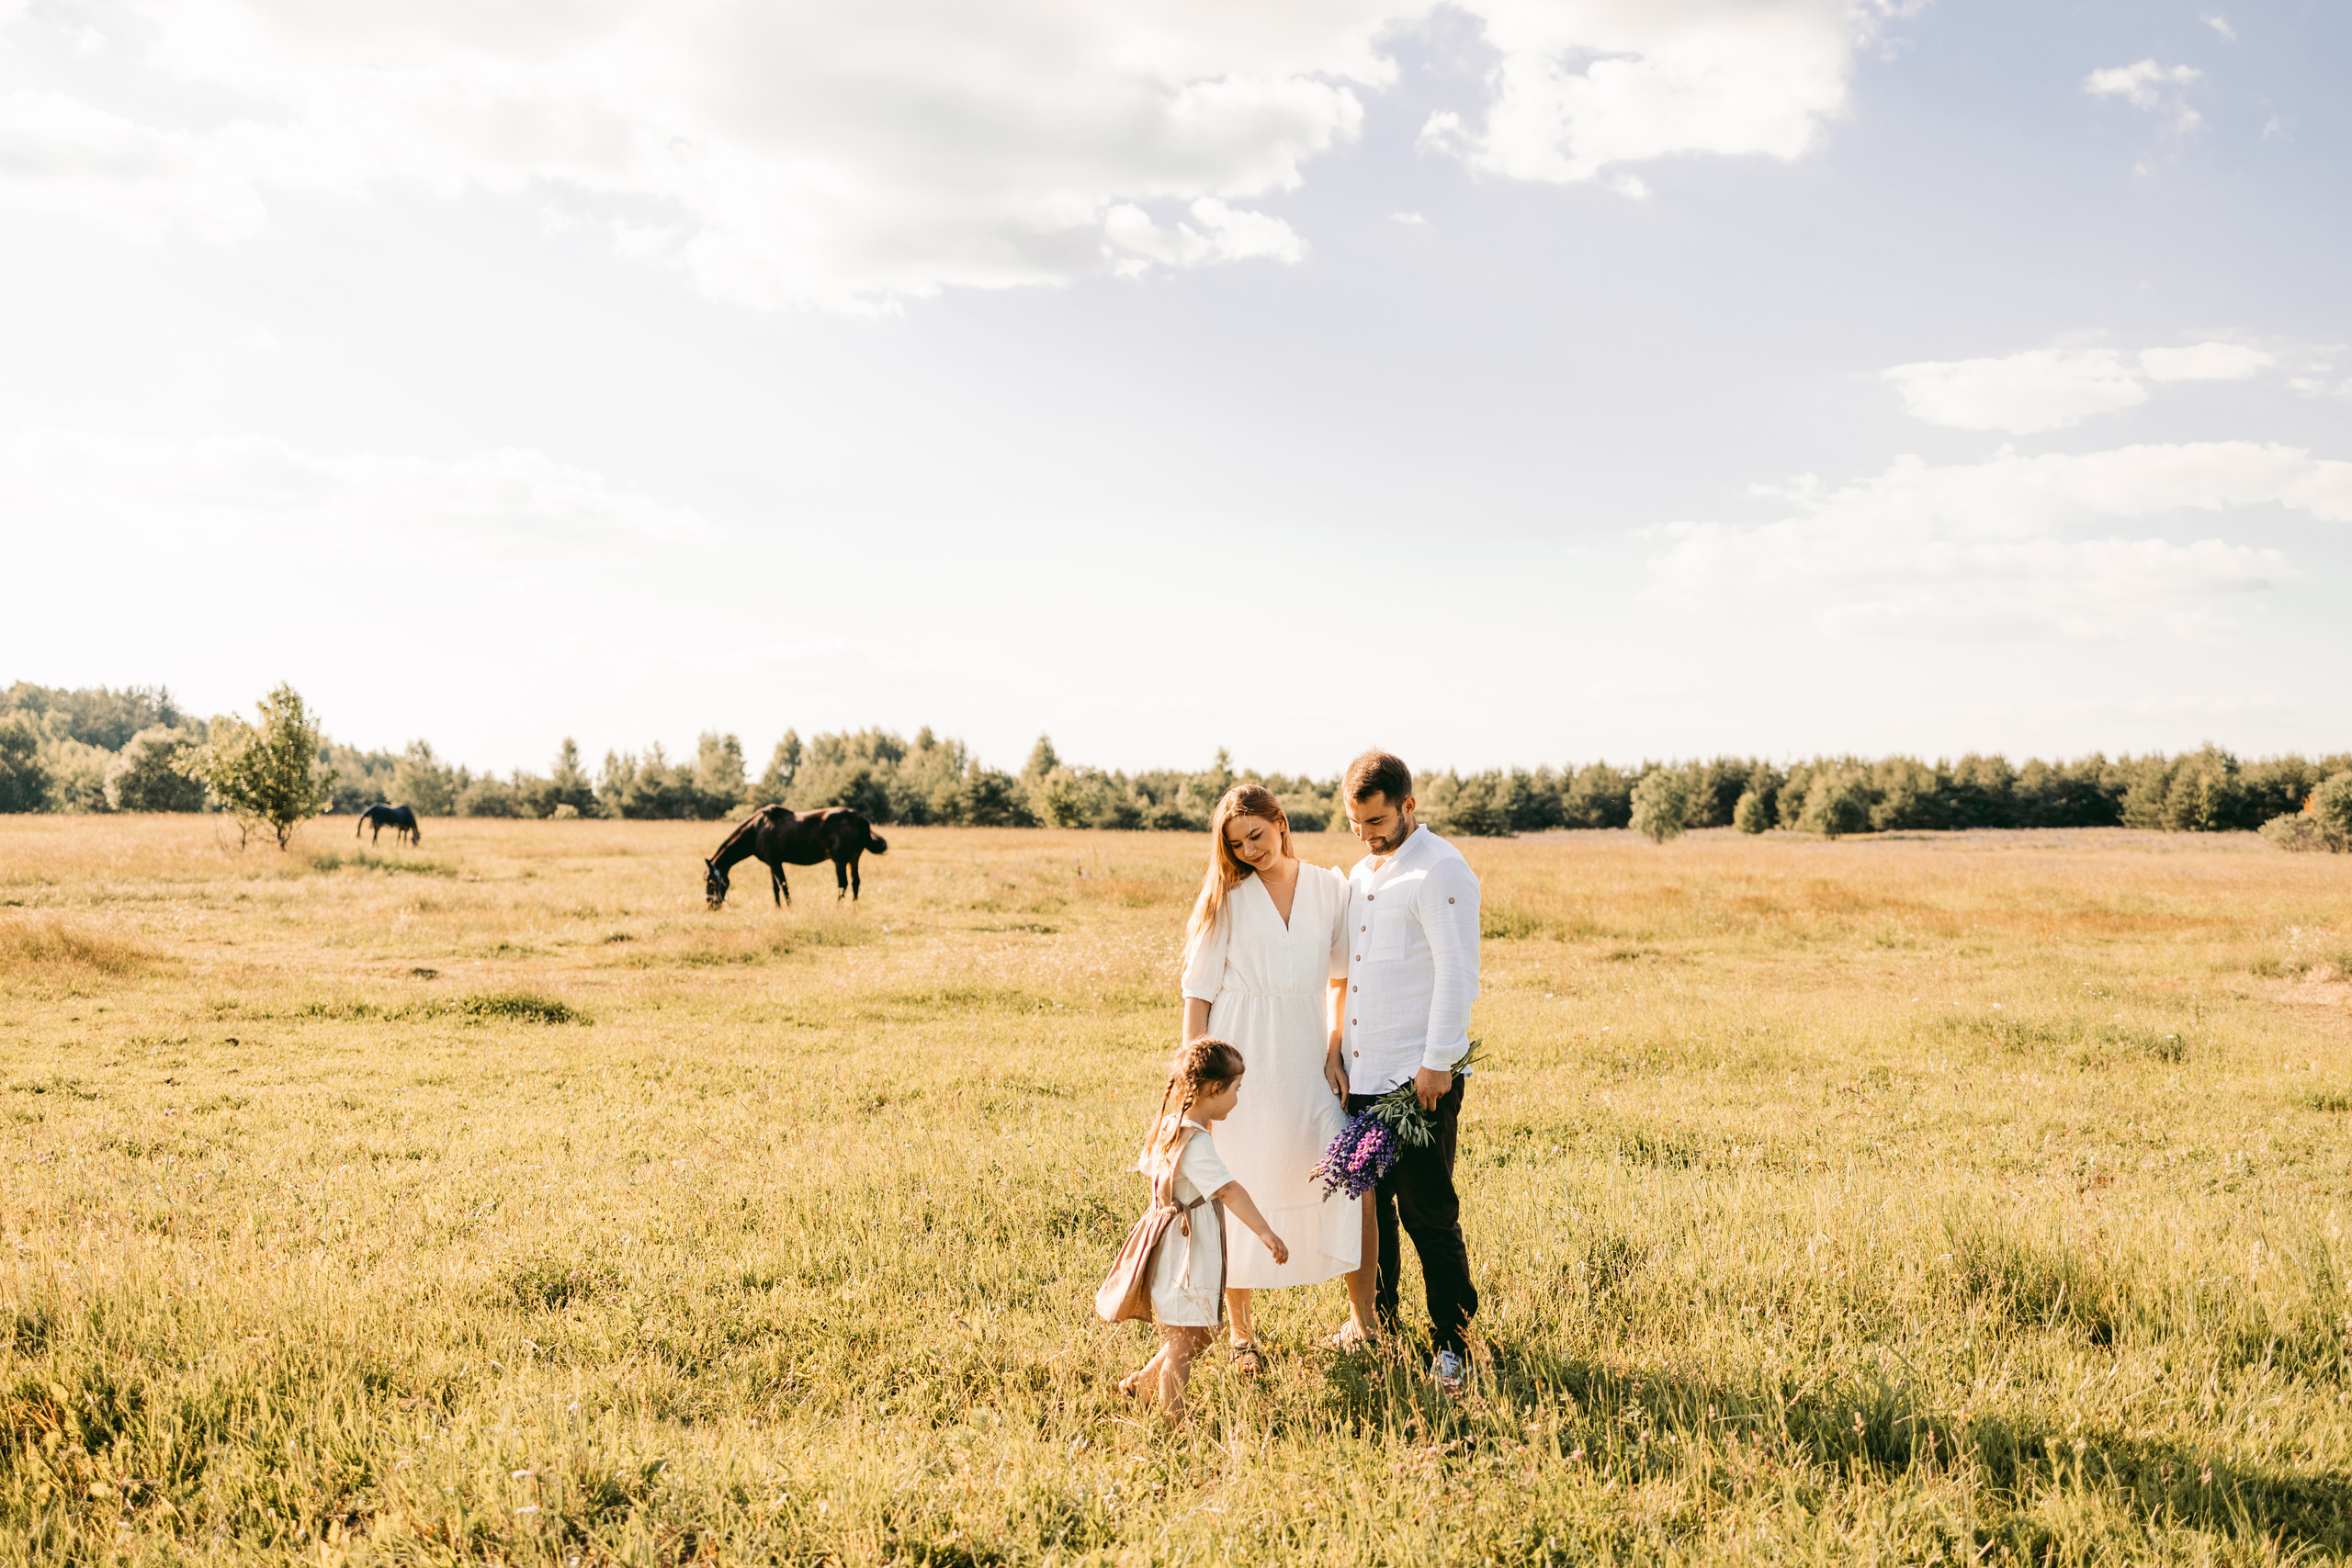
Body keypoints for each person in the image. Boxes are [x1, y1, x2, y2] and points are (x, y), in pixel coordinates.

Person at [1180, 784, 1368, 1372]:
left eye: (1256, 836)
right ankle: (1242, 1336)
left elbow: (1340, 979)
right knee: (1241, 1172)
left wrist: (1335, 1050)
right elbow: (1197, 994)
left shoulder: (1330, 888)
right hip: (1239, 1055)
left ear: (1280, 823)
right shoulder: (1224, 898)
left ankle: (1366, 1326)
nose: (1249, 851)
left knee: (1342, 1172)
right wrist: (1197, 1080)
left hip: (1306, 1049)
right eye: (1236, 844)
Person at [1334, 750, 1482, 1394]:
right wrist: (1335, 1044)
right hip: (1364, 1074)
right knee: (1372, 1213)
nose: (1367, 834)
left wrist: (1437, 1062)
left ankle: (1454, 1343)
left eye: (1377, 820)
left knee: (1427, 1211)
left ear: (1408, 806)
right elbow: (1354, 973)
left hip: (1416, 1076)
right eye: (1356, 823)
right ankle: (1381, 1325)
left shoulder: (1440, 869)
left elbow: (1457, 972)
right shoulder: (1365, 873)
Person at [1115, 1038, 1290, 1424]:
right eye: (1236, 1090)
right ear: (1214, 1090)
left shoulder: (1170, 1126)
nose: (1237, 1100)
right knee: (1182, 1344)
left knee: (1202, 1332)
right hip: (1186, 1256)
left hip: (1175, 1247)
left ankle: (1143, 1383)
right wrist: (1266, 1234)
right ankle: (1174, 1422)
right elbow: (1229, 1190)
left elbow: (1153, 1168)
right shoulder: (1196, 1143)